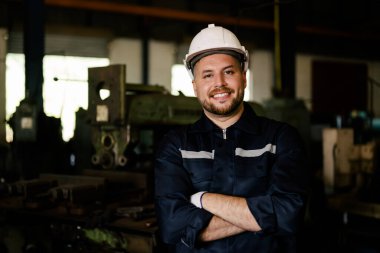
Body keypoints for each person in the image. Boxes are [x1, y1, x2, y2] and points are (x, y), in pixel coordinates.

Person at [154, 24, 310, 253]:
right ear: (195, 86)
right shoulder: (176, 145)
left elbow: (289, 215)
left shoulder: (280, 139)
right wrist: (262, 216)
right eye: (208, 75)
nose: (220, 83)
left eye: (229, 72)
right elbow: (173, 227)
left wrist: (202, 199)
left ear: (244, 78)